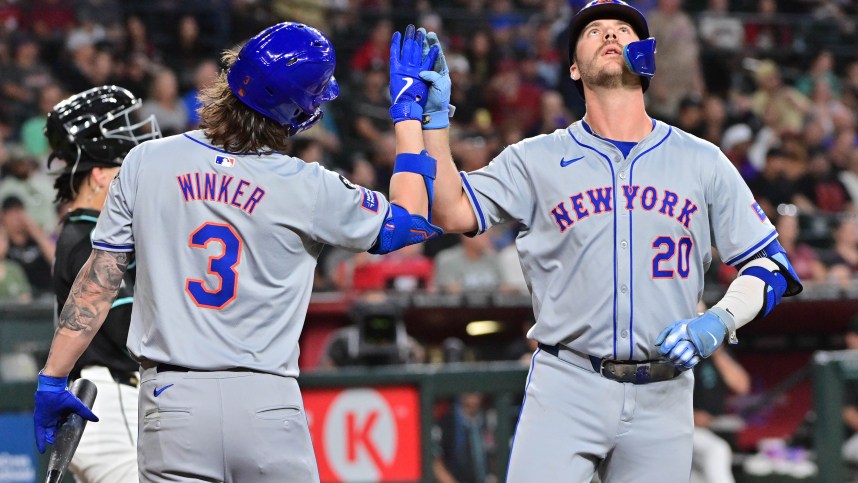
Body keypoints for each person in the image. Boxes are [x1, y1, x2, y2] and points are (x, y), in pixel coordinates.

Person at [401, 1, 803, 481]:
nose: (610, 35)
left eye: (622, 30)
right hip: (567, 382)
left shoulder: (703, 160)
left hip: (664, 391)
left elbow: (771, 265)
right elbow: (450, 211)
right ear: (573, 66)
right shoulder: (536, 158)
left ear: (646, 55)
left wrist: (719, 320)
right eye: (594, 31)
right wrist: (434, 124)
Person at [32, 22, 441, 482]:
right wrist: (409, 115)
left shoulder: (145, 162)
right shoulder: (309, 185)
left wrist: (53, 377)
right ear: (301, 112)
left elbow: (97, 283)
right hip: (267, 402)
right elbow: (411, 221)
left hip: (173, 401)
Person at [45, 85, 161, 483]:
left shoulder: (85, 233)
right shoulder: (89, 238)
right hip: (112, 402)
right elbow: (128, 330)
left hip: (109, 401)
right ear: (98, 175)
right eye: (120, 167)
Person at [692, 346, 751, 483]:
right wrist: (690, 415)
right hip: (683, 426)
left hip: (714, 427)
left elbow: (742, 386)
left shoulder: (717, 354)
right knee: (717, 450)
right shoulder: (682, 352)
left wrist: (717, 353)